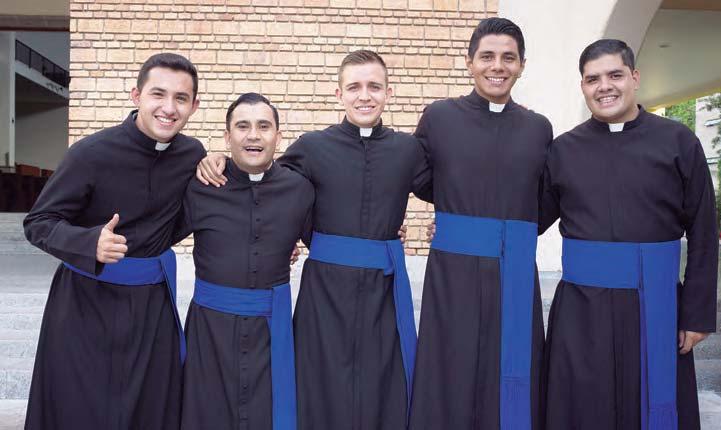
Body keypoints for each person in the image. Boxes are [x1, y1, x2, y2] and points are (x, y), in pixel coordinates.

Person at [197, 50, 431, 429]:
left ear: (389, 92)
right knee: (319, 385)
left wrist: (438, 228)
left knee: (383, 385)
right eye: (354, 87)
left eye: (374, 87)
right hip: (325, 293)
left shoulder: (408, 150)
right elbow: (267, 181)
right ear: (339, 94)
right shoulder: (313, 146)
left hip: (383, 292)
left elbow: (445, 189)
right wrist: (218, 159)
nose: (364, 96)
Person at [539, 39, 717, 430]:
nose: (604, 86)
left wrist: (697, 313)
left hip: (656, 304)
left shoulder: (678, 142)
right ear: (583, 86)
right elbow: (529, 218)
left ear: (634, 77)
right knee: (584, 408)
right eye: (593, 79)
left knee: (649, 405)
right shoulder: (563, 150)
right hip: (581, 309)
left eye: (615, 75)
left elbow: (704, 231)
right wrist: (459, 220)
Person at [23, 53, 205, 430]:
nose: (169, 108)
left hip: (152, 308)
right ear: (136, 96)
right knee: (82, 410)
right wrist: (88, 242)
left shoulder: (192, 155)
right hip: (86, 305)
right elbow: (38, 222)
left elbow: (204, 209)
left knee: (150, 409)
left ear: (194, 106)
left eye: (181, 98)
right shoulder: (90, 153)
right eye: (158, 94)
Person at [409, 17, 553, 430]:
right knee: (450, 367)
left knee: (509, 370)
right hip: (453, 270)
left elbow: (547, 196)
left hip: (514, 269)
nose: (497, 66)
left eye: (509, 57)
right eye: (487, 56)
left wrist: (506, 236)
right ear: (469, 62)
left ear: (522, 65)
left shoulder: (538, 128)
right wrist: (460, 219)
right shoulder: (439, 117)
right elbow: (416, 176)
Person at [177, 93, 313, 430]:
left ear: (278, 136)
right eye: (243, 126)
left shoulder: (300, 189)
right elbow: (155, 233)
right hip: (210, 333)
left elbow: (327, 237)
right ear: (227, 137)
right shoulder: (200, 185)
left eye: (263, 126)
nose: (253, 135)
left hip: (271, 332)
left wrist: (387, 233)